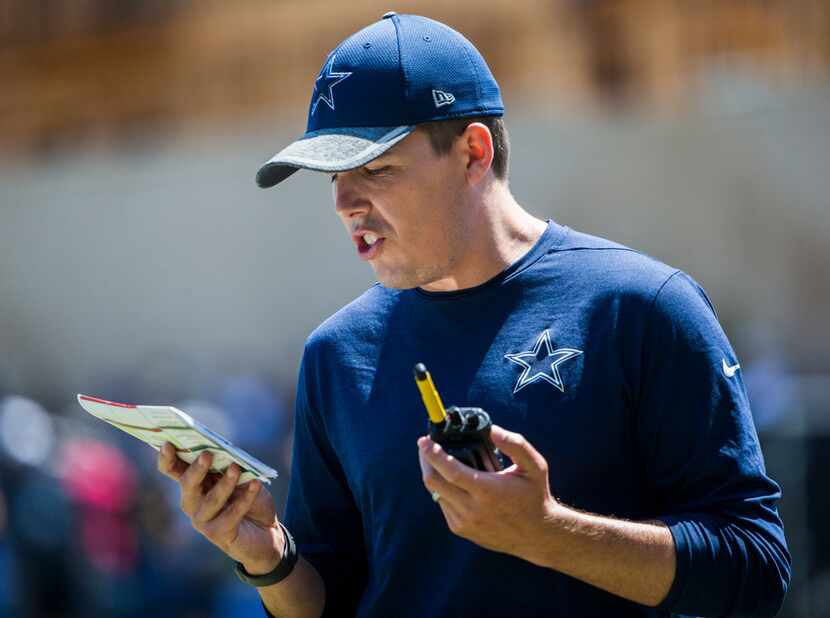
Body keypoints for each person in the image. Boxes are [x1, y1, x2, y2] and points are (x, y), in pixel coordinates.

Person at [157, 12, 791, 618]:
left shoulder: (643, 309)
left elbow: (755, 570)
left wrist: (548, 533)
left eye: (374, 168)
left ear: (472, 152)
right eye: (332, 178)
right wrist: (268, 559)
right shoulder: (336, 352)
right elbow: (333, 597)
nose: (345, 202)